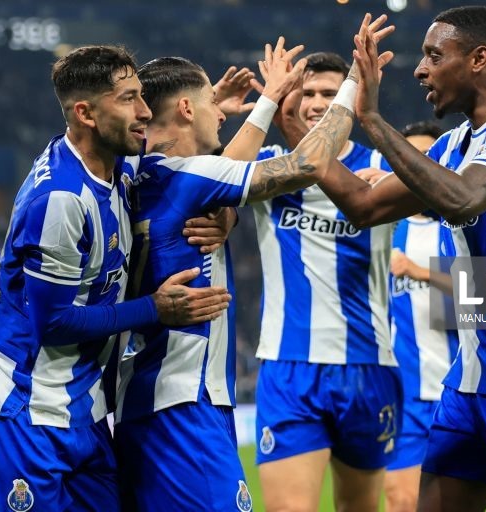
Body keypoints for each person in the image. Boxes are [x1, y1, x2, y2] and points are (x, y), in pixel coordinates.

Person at [310, 6, 486, 511]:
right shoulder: (453, 144)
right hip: (472, 375)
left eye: (434, 56)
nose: (421, 70)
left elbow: (462, 199)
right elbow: (363, 205)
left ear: (479, 58)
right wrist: (304, 135)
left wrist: (373, 120)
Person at [113, 21, 392, 510]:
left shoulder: (135, 173)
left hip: (148, 393)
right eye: (210, 104)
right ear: (186, 109)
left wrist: (229, 203)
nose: (220, 114)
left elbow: (218, 171)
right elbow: (306, 164)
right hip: (187, 397)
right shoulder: (190, 176)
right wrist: (354, 84)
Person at [0, 45, 232, 512]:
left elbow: (190, 170)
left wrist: (206, 121)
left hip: (85, 415)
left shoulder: (119, 165)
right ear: (85, 114)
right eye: (129, 99)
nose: (144, 111)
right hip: (22, 413)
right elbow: (54, 323)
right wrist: (155, 308)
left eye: (143, 96)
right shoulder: (60, 199)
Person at [250, 50, 403, 512]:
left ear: (350, 101)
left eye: (330, 94)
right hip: (289, 365)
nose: (317, 103)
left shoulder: (382, 166)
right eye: (308, 92)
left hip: (368, 363)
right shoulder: (269, 165)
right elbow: (209, 186)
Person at [362, 122, 457, 512]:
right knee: (401, 499)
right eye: (409, 156)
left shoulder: (459, 227)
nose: (418, 164)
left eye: (428, 156)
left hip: (458, 390)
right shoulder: (379, 229)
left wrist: (420, 272)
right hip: (403, 393)